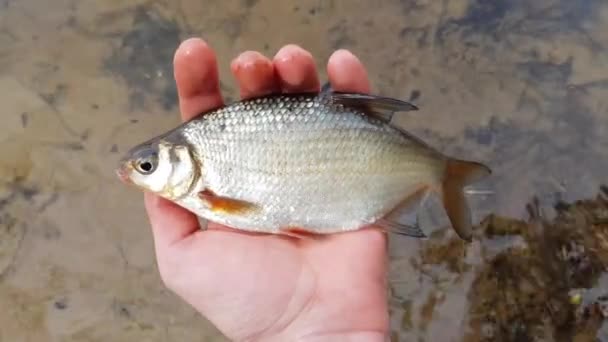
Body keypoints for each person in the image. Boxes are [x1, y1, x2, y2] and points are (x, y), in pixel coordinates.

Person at [144, 37, 389, 341]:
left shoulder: (202, 186)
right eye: (148, 167)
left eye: (147, 167)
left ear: (184, 160)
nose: (142, 175)